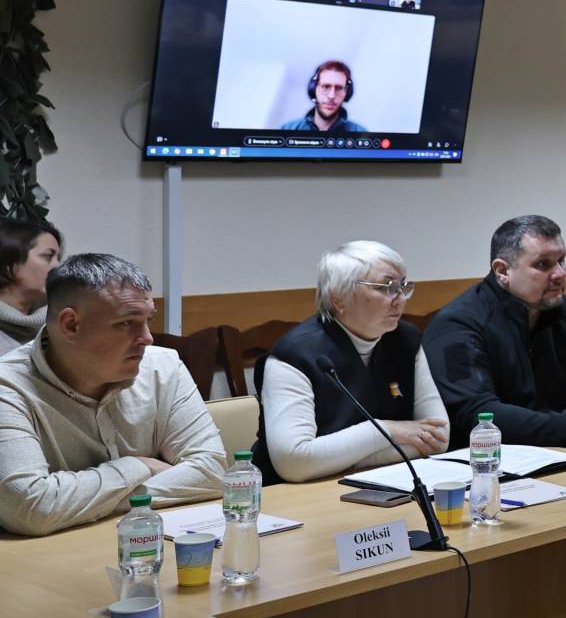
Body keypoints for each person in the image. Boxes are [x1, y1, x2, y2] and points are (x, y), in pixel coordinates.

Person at [0, 255, 226, 536]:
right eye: (126, 322)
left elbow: (212, 472)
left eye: (148, 320)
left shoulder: (163, 366)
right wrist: (137, 466)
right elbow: (29, 507)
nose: (147, 338)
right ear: (71, 325)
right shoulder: (8, 386)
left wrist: (80, 502)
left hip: (144, 545)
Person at [423, 215, 566, 448]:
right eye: (543, 264)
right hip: (486, 459)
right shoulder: (457, 324)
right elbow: (475, 414)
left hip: (562, 452)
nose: (560, 274)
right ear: (502, 271)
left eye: (561, 260)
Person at [255, 241, 449, 484]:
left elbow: (438, 437)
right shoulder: (294, 355)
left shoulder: (406, 340)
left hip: (383, 483)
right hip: (292, 494)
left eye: (403, 286)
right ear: (338, 299)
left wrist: (342, 459)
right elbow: (294, 462)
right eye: (387, 287)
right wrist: (388, 431)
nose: (400, 299)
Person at [0, 218, 62, 352]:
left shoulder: (59, 326)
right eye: (48, 256)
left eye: (58, 259)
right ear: (10, 262)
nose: (57, 266)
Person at [280, 60, 368, 133]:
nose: (331, 96)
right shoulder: (288, 129)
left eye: (339, 88)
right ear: (314, 89)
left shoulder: (360, 133)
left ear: (347, 92)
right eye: (325, 86)